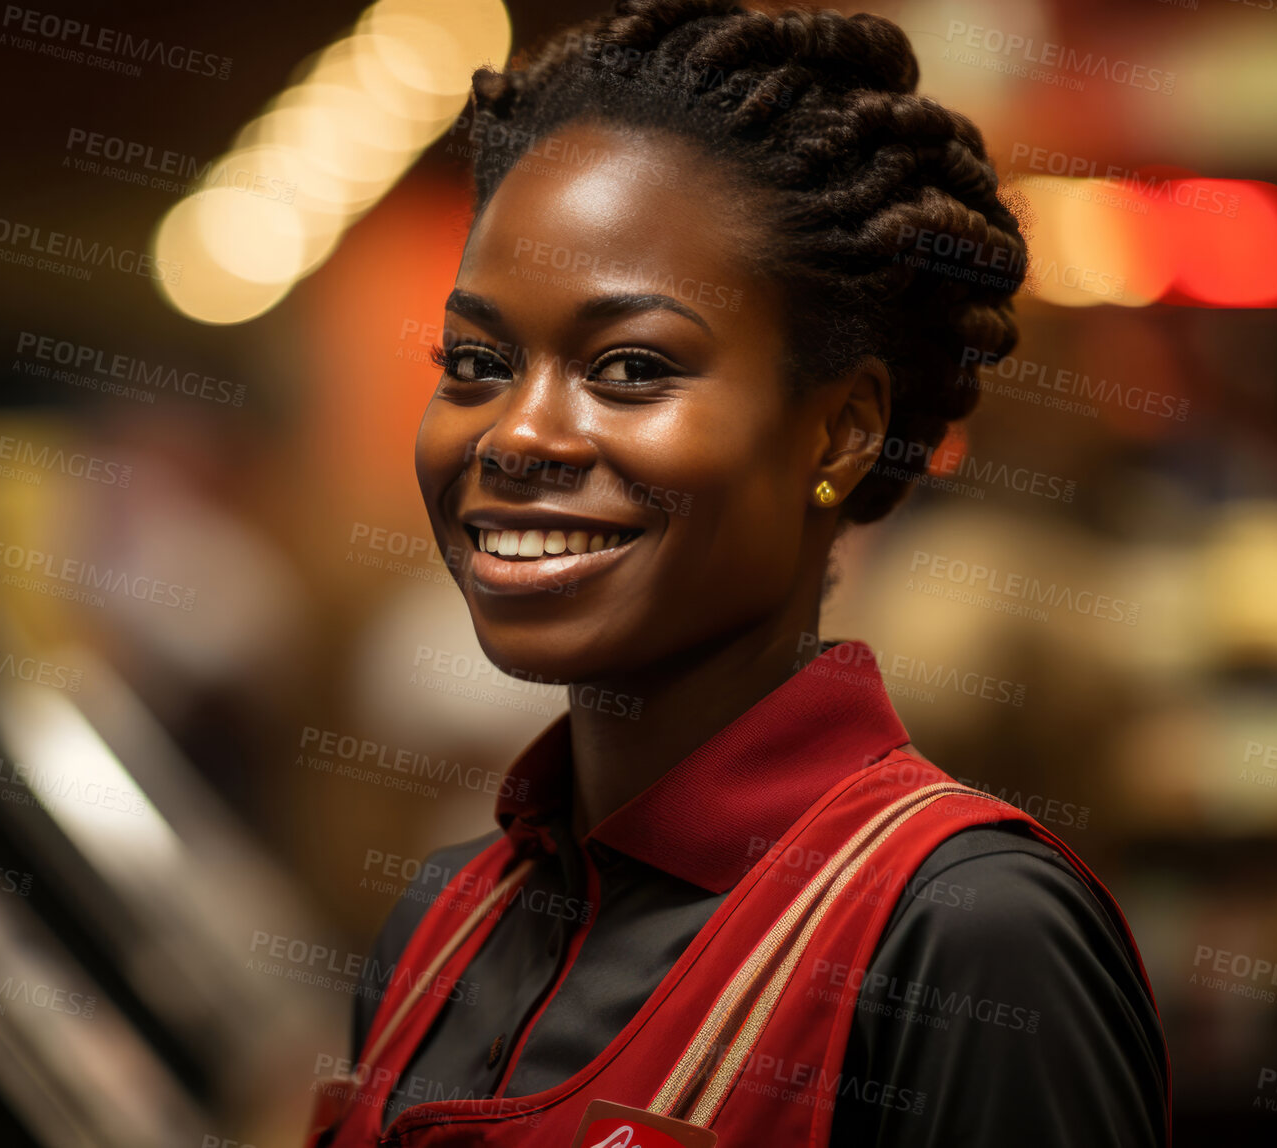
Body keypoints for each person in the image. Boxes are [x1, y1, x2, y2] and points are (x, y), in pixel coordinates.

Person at [307, 3, 1170, 1144]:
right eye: (476, 361)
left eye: (628, 366)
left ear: (840, 431)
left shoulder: (961, 931)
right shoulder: (440, 921)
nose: (514, 433)